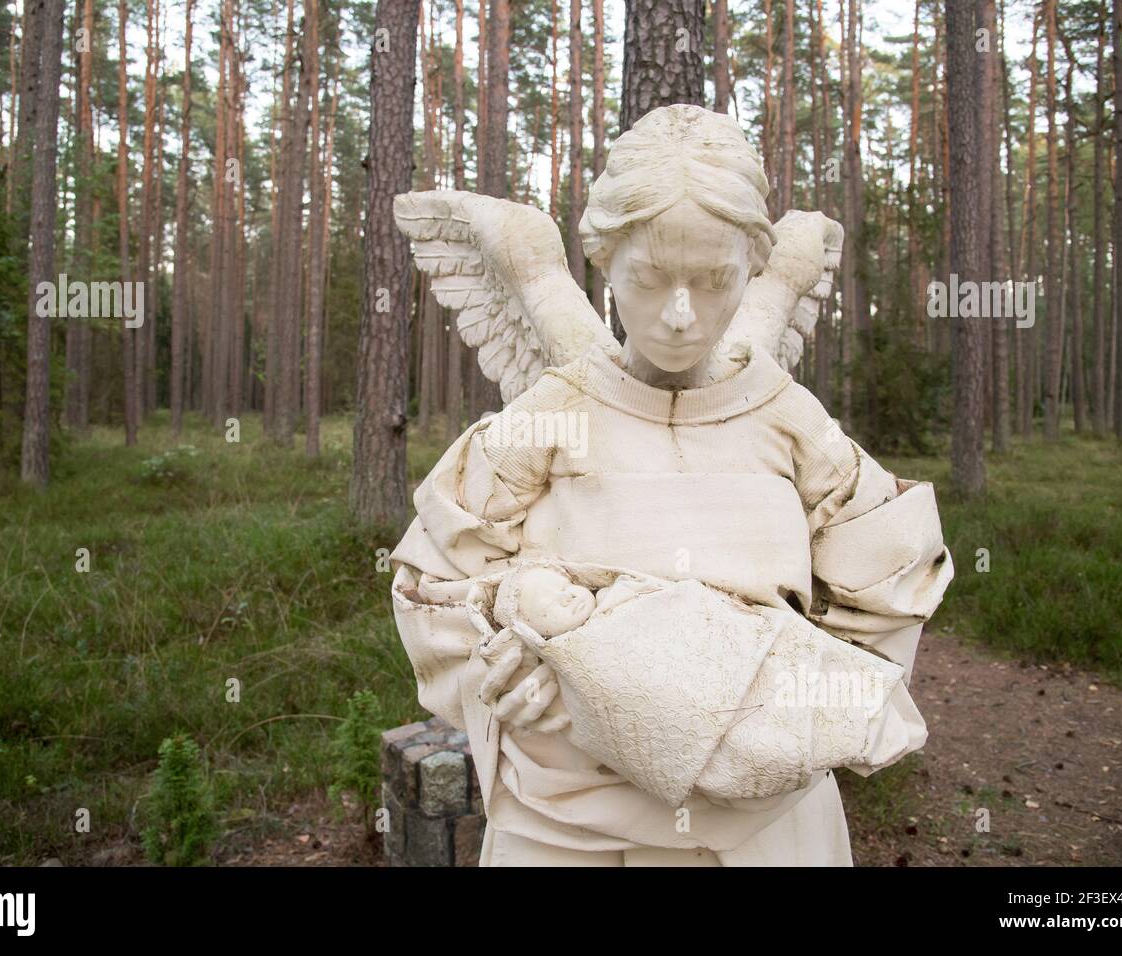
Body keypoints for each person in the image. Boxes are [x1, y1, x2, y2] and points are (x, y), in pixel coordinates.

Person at [389, 105, 954, 866]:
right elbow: (438, 576)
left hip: (763, 827)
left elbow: (891, 580)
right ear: (606, 260)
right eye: (650, 278)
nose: (681, 317)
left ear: (752, 268)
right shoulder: (555, 412)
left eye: (716, 280)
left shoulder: (788, 419)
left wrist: (796, 713)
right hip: (563, 818)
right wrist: (505, 667)